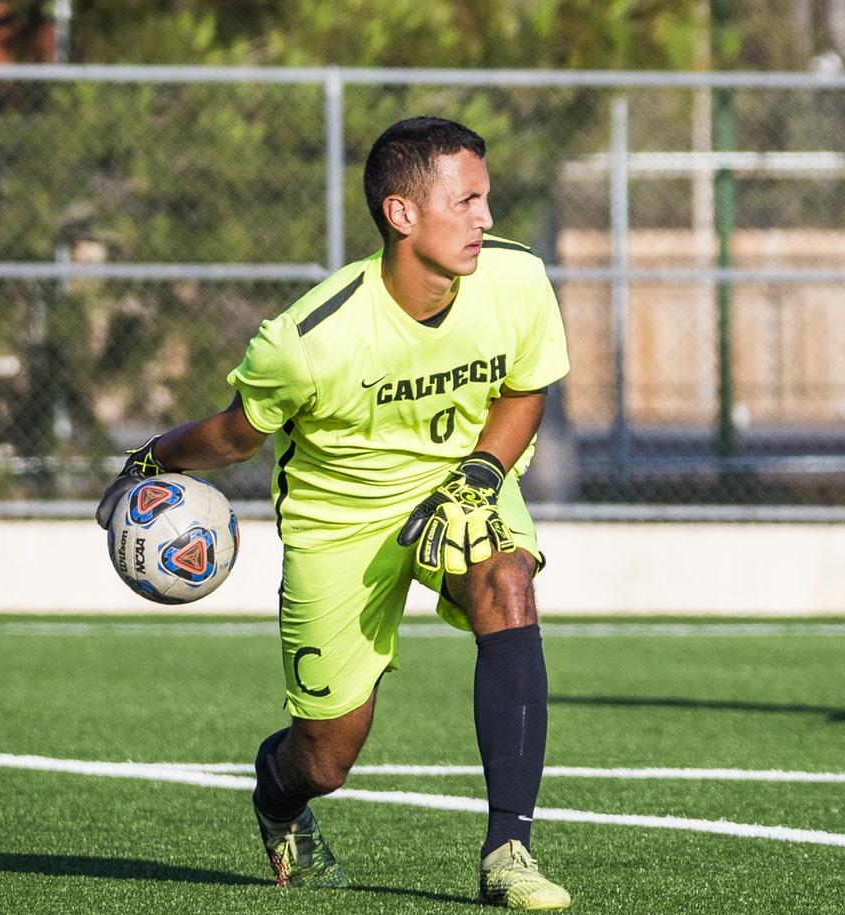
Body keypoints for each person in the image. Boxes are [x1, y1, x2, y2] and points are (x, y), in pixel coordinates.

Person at [96, 116, 571, 910]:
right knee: (327, 755)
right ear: (402, 213)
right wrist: (150, 460)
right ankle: (277, 798)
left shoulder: (515, 279)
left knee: (506, 581)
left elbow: (526, 386)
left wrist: (482, 474)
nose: (486, 218)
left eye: (486, 198)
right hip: (338, 525)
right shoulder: (307, 339)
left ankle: (507, 849)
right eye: (467, 200)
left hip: (460, 485)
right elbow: (235, 433)